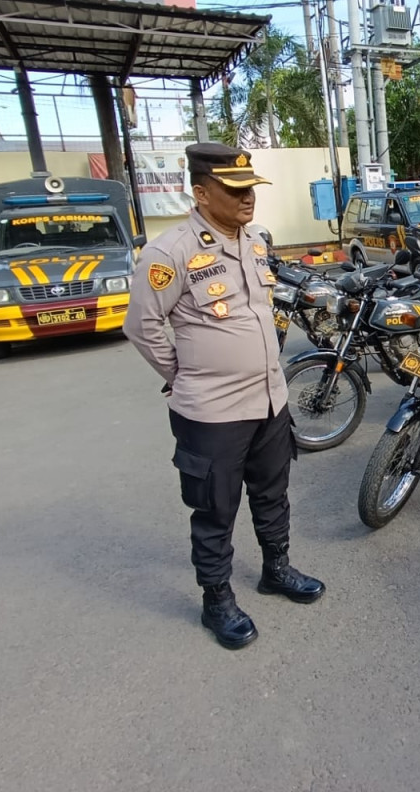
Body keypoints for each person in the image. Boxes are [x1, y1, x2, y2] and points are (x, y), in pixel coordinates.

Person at [124, 143, 324, 651]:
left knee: (272, 491)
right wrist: (183, 374)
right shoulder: (169, 252)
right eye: (234, 191)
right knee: (215, 508)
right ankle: (217, 598)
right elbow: (143, 327)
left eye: (250, 189)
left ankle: (275, 569)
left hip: (269, 399)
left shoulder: (255, 239)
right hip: (212, 411)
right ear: (201, 191)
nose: (247, 199)